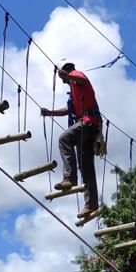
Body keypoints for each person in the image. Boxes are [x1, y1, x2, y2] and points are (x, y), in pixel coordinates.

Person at [40, 61, 101, 218]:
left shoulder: (76, 76)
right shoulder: (74, 89)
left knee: (64, 138)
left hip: (88, 122)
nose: (65, 82)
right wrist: (50, 113)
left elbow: (82, 79)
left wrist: (68, 75)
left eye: (64, 79)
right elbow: (69, 110)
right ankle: (91, 204)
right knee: (86, 167)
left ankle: (69, 177)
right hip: (89, 126)